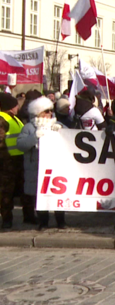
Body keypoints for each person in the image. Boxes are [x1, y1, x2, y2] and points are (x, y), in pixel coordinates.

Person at [17, 97, 65, 230]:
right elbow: (20, 145)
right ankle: (43, 222)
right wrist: (34, 137)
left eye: (50, 110)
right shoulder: (29, 127)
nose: (49, 114)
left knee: (57, 194)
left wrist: (62, 130)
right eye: (46, 111)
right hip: (36, 168)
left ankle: (61, 221)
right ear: (38, 112)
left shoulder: (57, 124)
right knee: (40, 197)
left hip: (55, 167)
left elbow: (71, 138)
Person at [0, 92, 35, 227]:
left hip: (19, 160)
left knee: (25, 189)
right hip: (7, 162)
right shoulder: (2, 119)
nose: (17, 107)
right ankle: (7, 220)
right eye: (15, 105)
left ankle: (29, 216)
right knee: (6, 192)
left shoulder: (13, 118)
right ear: (10, 107)